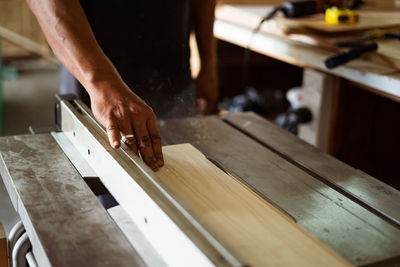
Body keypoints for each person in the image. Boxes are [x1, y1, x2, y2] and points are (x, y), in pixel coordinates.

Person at [27, 0, 218, 171]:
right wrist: (100, 82)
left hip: (171, 67)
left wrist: (208, 62)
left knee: (182, 176)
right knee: (105, 185)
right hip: (91, 77)